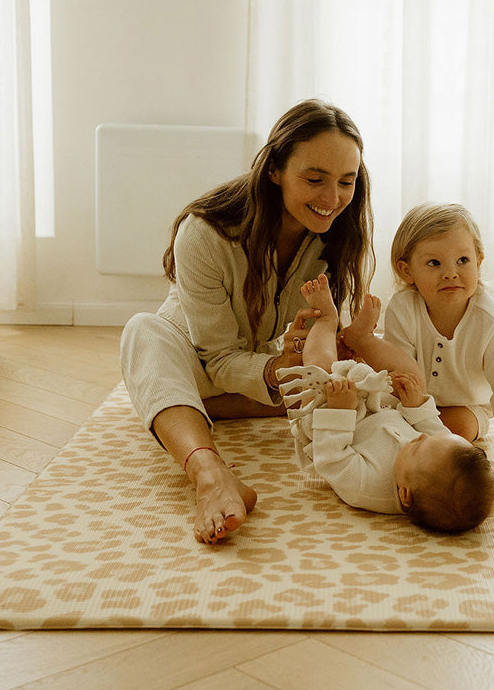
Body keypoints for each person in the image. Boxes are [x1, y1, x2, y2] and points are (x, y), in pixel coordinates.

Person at [120, 98, 373, 544]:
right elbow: (217, 357)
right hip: (197, 365)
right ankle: (210, 473)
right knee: (142, 331)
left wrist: (319, 347)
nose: (332, 199)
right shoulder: (204, 233)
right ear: (274, 169)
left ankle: (177, 411)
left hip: (261, 371)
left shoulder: (336, 237)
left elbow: (324, 341)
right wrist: (278, 372)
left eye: (346, 182)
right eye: (314, 179)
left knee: (353, 370)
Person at [278, 274, 494, 533]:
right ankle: (363, 339)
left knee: (320, 370)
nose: (420, 437)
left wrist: (340, 410)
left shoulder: (365, 487)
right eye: (427, 438)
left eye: (417, 448)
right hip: (378, 408)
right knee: (412, 376)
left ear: (405, 495)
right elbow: (431, 425)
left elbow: (331, 460)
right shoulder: (433, 453)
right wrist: (416, 404)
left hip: (329, 416)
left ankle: (326, 319)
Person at [385, 202, 494, 482]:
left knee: (453, 431)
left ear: (479, 261)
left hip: (466, 408)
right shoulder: (402, 308)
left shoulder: (491, 322)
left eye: (463, 261)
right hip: (408, 400)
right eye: (434, 263)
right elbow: (398, 367)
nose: (451, 273)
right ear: (407, 271)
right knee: (380, 422)